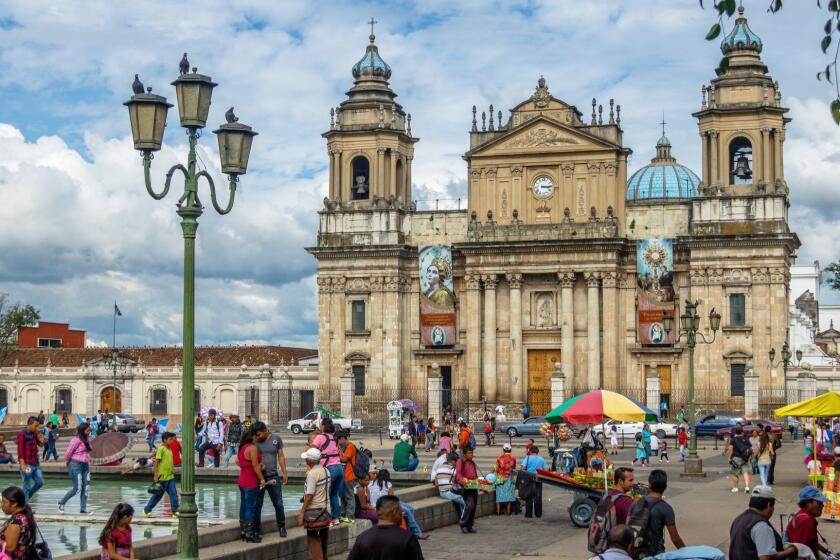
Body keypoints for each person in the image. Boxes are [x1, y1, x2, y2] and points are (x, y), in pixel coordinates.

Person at [729, 486, 797, 560]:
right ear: (768, 505)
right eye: (773, 506)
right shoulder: (761, 526)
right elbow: (766, 558)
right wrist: (790, 551)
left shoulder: (739, 519)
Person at [347, 495, 424, 560]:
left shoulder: (362, 538)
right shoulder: (408, 538)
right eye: (401, 511)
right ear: (395, 511)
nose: (402, 514)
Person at [629, 469, 685, 558]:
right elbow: (675, 538)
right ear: (665, 486)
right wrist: (686, 551)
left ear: (649, 485)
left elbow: (626, 527)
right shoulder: (666, 508)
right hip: (657, 554)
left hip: (636, 552)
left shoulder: (635, 503)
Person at [251, 421, 288, 537]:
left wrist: (284, 473)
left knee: (278, 503)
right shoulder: (255, 441)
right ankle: (256, 528)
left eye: (259, 434)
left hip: (273, 477)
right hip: (259, 478)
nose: (257, 437)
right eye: (256, 435)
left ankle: (282, 527)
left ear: (265, 430)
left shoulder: (276, 439)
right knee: (257, 505)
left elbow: (281, 456)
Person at [298, 448, 330, 560]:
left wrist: (302, 512)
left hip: (314, 512)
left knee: (313, 539)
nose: (306, 459)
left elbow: (310, 495)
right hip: (326, 510)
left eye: (307, 458)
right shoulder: (326, 471)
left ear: (310, 461)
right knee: (324, 540)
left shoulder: (312, 474)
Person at [311, 417, 343, 526]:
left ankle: (326, 519)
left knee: (325, 495)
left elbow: (312, 450)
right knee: (334, 494)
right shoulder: (333, 438)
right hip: (339, 468)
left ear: (323, 426)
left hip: (330, 469)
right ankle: (336, 518)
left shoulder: (320, 437)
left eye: (320, 425)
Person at [785, 486, 830, 559]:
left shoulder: (803, 515)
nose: (822, 505)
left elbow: (811, 542)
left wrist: (827, 553)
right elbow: (799, 549)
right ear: (808, 504)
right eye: (819, 502)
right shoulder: (806, 520)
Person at [237, 428, 265, 543]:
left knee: (243, 506)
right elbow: (255, 466)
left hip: (242, 480)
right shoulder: (252, 448)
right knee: (250, 508)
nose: (257, 438)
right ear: (252, 437)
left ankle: (243, 531)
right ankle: (250, 533)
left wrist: (247, 467)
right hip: (250, 481)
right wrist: (262, 478)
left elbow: (238, 462)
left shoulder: (242, 447)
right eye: (256, 436)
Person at [58, 422, 93, 514]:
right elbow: (68, 453)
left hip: (85, 465)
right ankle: (61, 503)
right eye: (87, 431)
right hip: (75, 464)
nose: (89, 432)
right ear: (82, 431)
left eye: (89, 430)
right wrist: (67, 463)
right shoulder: (75, 440)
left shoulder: (88, 439)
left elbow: (88, 451)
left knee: (86, 487)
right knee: (77, 488)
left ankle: (83, 509)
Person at [143, 432, 179, 518]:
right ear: (165, 440)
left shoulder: (169, 449)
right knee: (157, 496)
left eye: (173, 439)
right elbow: (156, 462)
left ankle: (175, 511)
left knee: (174, 495)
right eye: (170, 439)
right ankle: (146, 510)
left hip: (170, 477)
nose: (172, 441)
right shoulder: (161, 449)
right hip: (162, 477)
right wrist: (155, 475)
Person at [0, 486, 37, 560]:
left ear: (14, 504)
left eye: (4, 502)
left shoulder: (15, 522)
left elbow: (10, 547)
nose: (1, 505)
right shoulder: (25, 517)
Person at [16, 416, 45, 500]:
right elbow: (20, 451)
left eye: (38, 426)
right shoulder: (22, 435)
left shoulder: (34, 433)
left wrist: (42, 441)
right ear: (29, 424)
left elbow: (40, 444)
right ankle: (25, 507)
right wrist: (22, 464)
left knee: (40, 482)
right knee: (26, 486)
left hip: (35, 463)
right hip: (27, 464)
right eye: (35, 426)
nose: (37, 428)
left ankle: (26, 497)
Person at [455, 446, 479, 533]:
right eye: (469, 453)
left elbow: (475, 475)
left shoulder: (472, 463)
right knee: (470, 505)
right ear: (464, 454)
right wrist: (463, 481)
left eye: (472, 453)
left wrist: (478, 482)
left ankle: (470, 525)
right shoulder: (460, 461)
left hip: (473, 487)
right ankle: (463, 523)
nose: (471, 455)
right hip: (466, 487)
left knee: (474, 506)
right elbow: (458, 473)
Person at [336, 430, 357, 524]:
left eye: (338, 440)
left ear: (342, 438)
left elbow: (344, 459)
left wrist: (338, 451)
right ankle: (344, 514)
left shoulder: (350, 446)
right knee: (343, 496)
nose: (337, 442)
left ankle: (350, 516)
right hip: (343, 475)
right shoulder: (344, 446)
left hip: (349, 475)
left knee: (349, 496)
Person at [521, 445, 547, 518]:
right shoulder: (541, 459)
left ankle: (529, 514)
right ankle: (538, 513)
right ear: (537, 452)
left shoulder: (528, 458)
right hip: (538, 478)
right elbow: (545, 469)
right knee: (538, 496)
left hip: (529, 479)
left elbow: (522, 468)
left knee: (529, 496)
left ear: (531, 451)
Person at [727, 424, 753, 493]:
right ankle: (747, 487)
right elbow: (750, 449)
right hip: (745, 458)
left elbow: (730, 448)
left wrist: (729, 458)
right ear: (742, 432)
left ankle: (735, 488)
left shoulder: (734, 440)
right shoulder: (747, 439)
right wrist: (750, 457)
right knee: (745, 473)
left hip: (736, 458)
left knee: (735, 473)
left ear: (736, 433)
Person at [494, 444, 516, 515]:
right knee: (509, 494)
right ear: (510, 450)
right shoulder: (513, 458)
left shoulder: (499, 458)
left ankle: (498, 511)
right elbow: (513, 469)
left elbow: (496, 469)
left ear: (503, 450)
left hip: (500, 477)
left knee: (499, 494)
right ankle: (508, 511)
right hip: (509, 477)